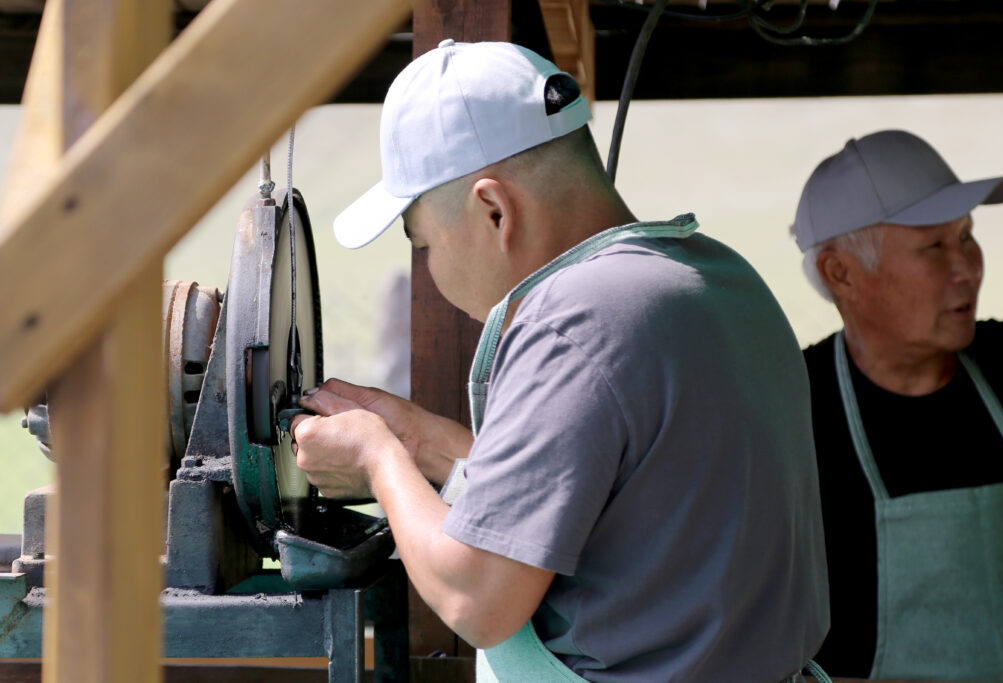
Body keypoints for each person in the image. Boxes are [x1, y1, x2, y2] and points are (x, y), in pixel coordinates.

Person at [291, 39, 829, 682]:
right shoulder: (718, 278)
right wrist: (423, 447)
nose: (429, 268)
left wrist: (379, 460)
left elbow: (476, 597)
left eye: (423, 242)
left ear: (494, 209)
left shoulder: (571, 319)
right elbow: (619, 496)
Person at [791, 129, 1003, 682]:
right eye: (934, 247)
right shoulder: (790, 412)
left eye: (966, 237)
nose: (967, 267)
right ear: (840, 273)